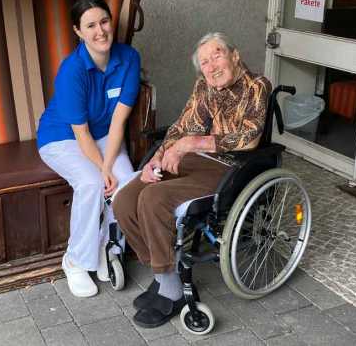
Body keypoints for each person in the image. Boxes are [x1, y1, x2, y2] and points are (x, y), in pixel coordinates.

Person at [112, 32, 271, 328]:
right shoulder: (204, 86)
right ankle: (165, 277)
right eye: (204, 63)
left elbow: (248, 138)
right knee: (125, 199)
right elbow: (182, 128)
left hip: (230, 168)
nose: (211, 66)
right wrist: (158, 158)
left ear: (234, 55)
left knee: (153, 198)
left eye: (217, 56)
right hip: (192, 159)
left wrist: (190, 144)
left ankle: (171, 292)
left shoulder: (257, 86)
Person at [37, 0, 140, 298]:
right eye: (91, 25)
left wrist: (111, 167)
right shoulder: (72, 70)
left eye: (104, 22)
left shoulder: (129, 58)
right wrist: (103, 169)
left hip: (106, 133)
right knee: (92, 183)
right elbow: (80, 134)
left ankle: (106, 248)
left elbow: (119, 121)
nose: (100, 31)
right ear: (78, 32)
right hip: (62, 137)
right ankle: (76, 260)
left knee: (126, 184)